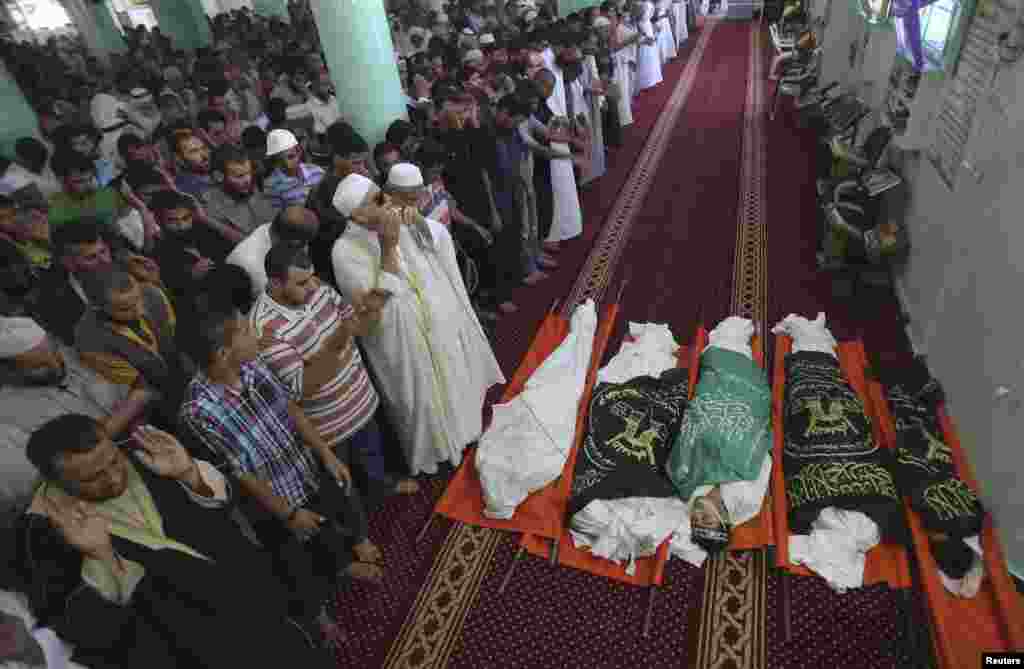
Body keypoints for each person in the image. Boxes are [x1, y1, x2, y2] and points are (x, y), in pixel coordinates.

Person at [14, 415, 337, 667]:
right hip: (198, 645)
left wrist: (189, 475)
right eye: (92, 478)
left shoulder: (144, 452)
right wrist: (102, 558)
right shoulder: (43, 533)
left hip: (256, 594)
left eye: (114, 461)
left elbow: (228, 510)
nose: (114, 478)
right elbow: (83, 626)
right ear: (56, 481)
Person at [179, 308, 386, 584]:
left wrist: (325, 453)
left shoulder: (254, 363)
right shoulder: (198, 413)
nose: (257, 334)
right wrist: (288, 513)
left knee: (332, 510)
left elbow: (289, 407)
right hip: (279, 498)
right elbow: (238, 472)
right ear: (223, 354)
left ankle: (349, 545)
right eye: (246, 331)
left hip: (306, 465)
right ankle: (342, 566)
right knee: (311, 545)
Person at [331, 171, 505, 475]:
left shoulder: (390, 219)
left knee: (452, 376)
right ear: (357, 215)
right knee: (420, 398)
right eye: (376, 199)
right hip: (398, 339)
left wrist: (419, 223)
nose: (385, 201)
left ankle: (465, 434)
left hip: (432, 320)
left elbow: (432, 248)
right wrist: (388, 246)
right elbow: (371, 305)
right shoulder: (344, 251)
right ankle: (434, 456)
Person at [252, 243, 420, 497]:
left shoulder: (317, 287)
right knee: (346, 487)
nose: (312, 286)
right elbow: (302, 386)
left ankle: (382, 486)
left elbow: (356, 327)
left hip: (361, 402)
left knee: (373, 459)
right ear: (276, 284)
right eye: (301, 283)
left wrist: (372, 310)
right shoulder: (264, 328)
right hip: (330, 428)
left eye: (311, 277)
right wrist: (340, 339)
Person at [0, 317, 152, 508]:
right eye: (40, 367)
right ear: (6, 372)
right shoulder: (8, 418)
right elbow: (50, 473)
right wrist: (134, 404)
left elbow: (136, 383)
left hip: (147, 456)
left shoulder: (77, 353)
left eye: (55, 353)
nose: (57, 367)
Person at [664, 317, 774, 555]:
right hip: (741, 414)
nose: (700, 514)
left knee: (714, 379)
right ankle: (734, 346)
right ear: (724, 518)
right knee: (736, 387)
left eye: (697, 521)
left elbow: (680, 452)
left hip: (709, 408)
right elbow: (761, 458)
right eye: (709, 520)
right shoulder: (745, 498)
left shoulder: (687, 487)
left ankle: (726, 345)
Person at [74, 268, 190, 431]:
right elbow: (139, 388)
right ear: (97, 307)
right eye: (124, 309)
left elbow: (178, 337)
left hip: (186, 372)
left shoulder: (151, 293)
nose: (139, 310)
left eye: (138, 299)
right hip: (153, 399)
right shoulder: (89, 340)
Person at [33, 220, 165, 346]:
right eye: (91, 257)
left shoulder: (132, 269)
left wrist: (156, 283)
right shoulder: (53, 298)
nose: (104, 261)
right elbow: (75, 341)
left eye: (103, 251)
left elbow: (160, 316)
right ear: (68, 263)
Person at [226, 204, 321, 301]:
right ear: (295, 242)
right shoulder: (252, 264)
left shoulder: (281, 230)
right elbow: (276, 301)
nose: (305, 247)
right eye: (305, 243)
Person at [204, 144, 277, 236]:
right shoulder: (212, 209)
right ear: (218, 176)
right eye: (239, 176)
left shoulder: (257, 188)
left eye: (249, 173)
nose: (248, 180)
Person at [263, 129, 326, 211]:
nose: (286, 164)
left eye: (290, 156)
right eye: (280, 161)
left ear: (299, 152)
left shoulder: (317, 172)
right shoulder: (271, 186)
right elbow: (278, 219)